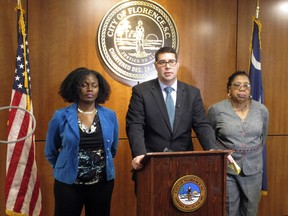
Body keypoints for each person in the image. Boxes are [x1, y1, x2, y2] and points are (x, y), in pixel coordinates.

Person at [126, 46, 217, 171]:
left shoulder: (192, 93)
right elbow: (135, 125)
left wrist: (213, 149)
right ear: (155, 65)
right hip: (151, 163)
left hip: (184, 162)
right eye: (162, 62)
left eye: (171, 62)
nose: (167, 66)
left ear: (177, 64)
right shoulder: (141, 92)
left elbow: (202, 124)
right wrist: (140, 154)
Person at [45, 67, 119, 216]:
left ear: (100, 89)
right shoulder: (60, 116)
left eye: (94, 85)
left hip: (102, 184)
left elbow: (112, 149)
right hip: (68, 185)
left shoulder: (110, 116)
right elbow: (50, 151)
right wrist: (65, 166)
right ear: (75, 87)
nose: (90, 89)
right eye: (84, 85)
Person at [207, 71, 269, 216]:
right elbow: (210, 139)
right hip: (228, 169)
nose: (242, 89)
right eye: (237, 85)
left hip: (254, 169)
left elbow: (263, 137)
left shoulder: (262, 110)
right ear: (228, 89)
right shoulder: (216, 110)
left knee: (250, 210)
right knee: (229, 209)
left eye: (246, 85)